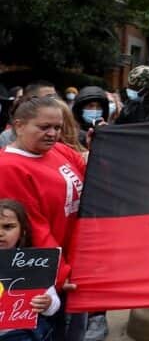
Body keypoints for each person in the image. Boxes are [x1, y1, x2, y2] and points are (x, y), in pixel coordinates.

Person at [0, 95, 85, 341]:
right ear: (19, 125)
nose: (52, 133)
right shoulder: (9, 168)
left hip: (77, 262)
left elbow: (89, 178)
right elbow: (34, 230)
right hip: (50, 277)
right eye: (44, 127)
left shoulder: (59, 150)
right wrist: (61, 274)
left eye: (57, 127)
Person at [0, 198, 61, 341]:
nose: (0, 233)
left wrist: (47, 303)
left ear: (23, 232)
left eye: (8, 227)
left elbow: (54, 302)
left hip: (19, 335)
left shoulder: (33, 263)